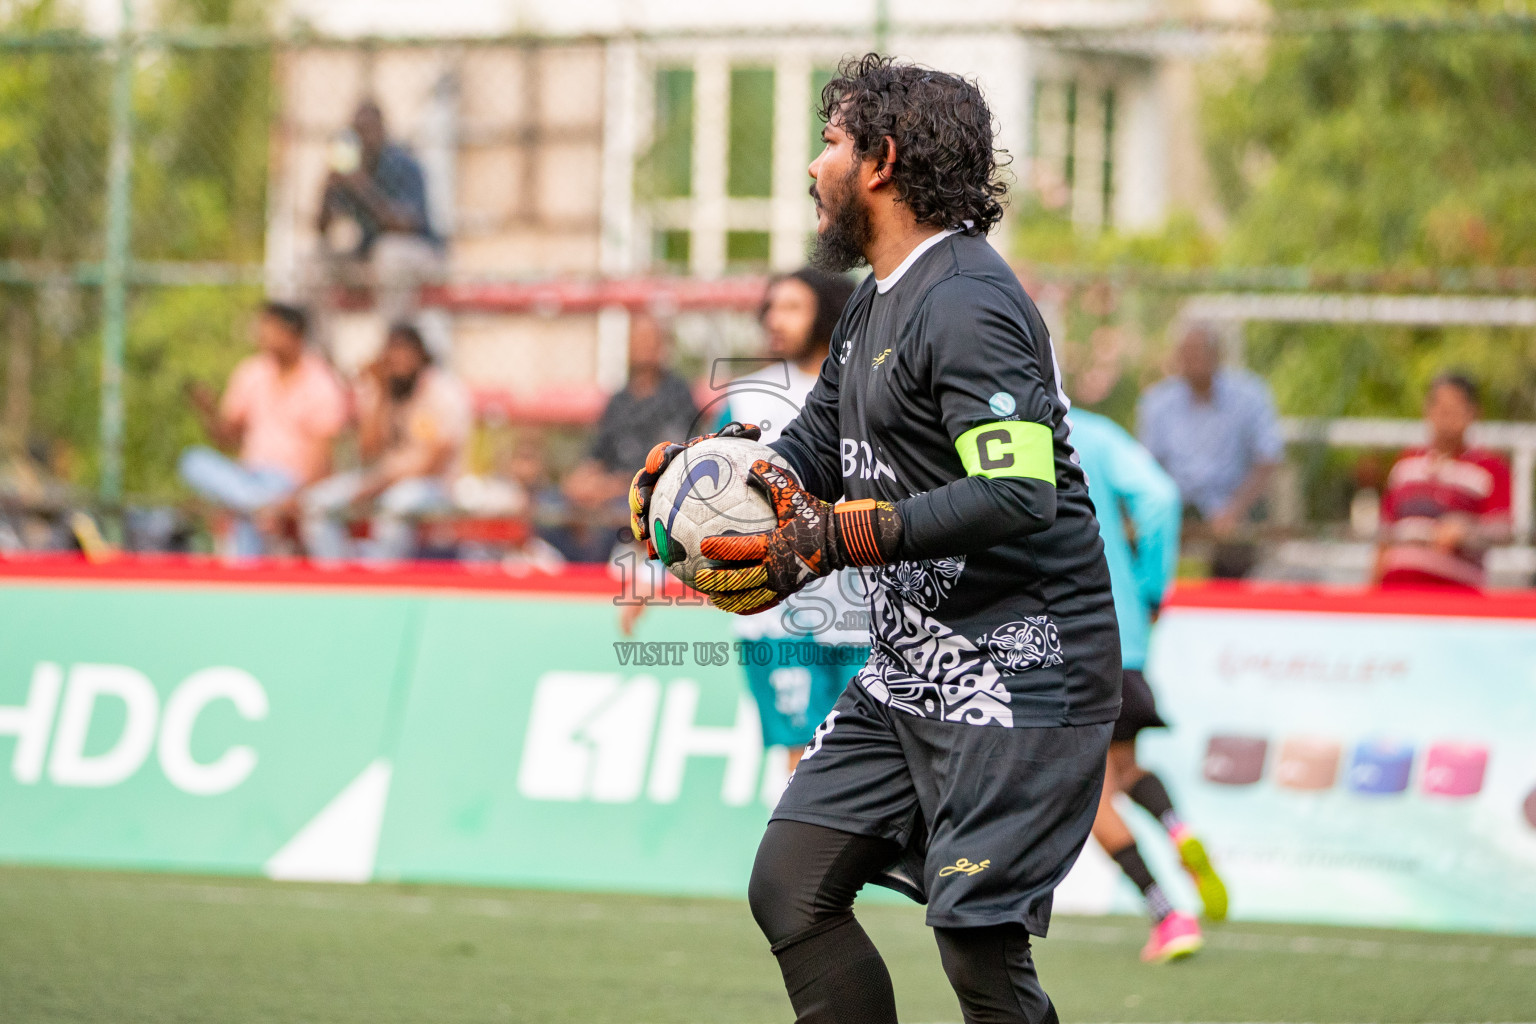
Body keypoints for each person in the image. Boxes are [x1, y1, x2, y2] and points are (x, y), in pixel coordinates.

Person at [630, 55, 1120, 1024]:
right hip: (910, 675)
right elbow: (815, 446)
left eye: (830, 142)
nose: (815, 167)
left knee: (976, 941)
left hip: (1023, 679)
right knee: (791, 883)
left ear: (882, 160)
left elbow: (1019, 493)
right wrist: (706, 487)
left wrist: (836, 535)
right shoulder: (874, 300)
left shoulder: (969, 302)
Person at [621, 269, 868, 777]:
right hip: (774, 616)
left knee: (868, 763)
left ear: (828, 313)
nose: (775, 319)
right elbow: (694, 499)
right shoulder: (748, 397)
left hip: (861, 611)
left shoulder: (868, 388)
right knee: (801, 760)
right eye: (771, 307)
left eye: (792, 307)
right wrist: (649, 578)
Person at [1069, 407, 1229, 963]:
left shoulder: (1003, 430)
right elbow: (1160, 496)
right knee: (1125, 765)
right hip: (1126, 629)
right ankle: (1177, 827)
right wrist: (1149, 588)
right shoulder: (1095, 430)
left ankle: (1165, 911)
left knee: (1083, 794)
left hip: (1066, 635)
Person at [179, 302, 348, 558]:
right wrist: (209, 412)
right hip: (246, 479)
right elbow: (227, 438)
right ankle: (259, 506)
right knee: (193, 461)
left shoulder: (321, 382)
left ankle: (257, 510)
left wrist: (293, 499)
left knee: (248, 511)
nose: (261, 335)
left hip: (288, 483)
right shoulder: (252, 372)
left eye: (269, 329)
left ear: (293, 333)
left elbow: (322, 458)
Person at [300, 323, 470, 563]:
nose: (399, 361)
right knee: (316, 503)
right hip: (380, 480)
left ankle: (382, 582)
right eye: (392, 354)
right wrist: (379, 392)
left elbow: (434, 462)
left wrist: (381, 484)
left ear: (421, 357)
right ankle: (337, 578)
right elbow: (368, 452)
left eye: (406, 353)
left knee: (395, 506)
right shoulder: (381, 390)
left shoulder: (442, 391)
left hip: (432, 486)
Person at [1136, 324, 1284, 578]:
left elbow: (1268, 459)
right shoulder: (1158, 403)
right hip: (1175, 506)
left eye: (1199, 353)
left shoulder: (1250, 396)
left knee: (1235, 556)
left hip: (1235, 506)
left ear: (1217, 355)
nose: (1191, 361)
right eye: (1186, 354)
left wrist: (1236, 509)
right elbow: (1147, 465)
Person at [559, 313, 700, 564]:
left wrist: (611, 487)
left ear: (662, 346)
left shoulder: (678, 395)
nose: (643, 346)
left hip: (651, 494)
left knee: (618, 518)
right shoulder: (619, 400)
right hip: (607, 492)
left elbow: (668, 463)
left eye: (649, 339)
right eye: (637, 339)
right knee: (553, 506)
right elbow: (597, 453)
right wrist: (579, 482)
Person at [312, 100, 444, 338]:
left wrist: (360, 187)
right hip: (371, 256)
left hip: (419, 254)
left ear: (383, 130)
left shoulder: (403, 163)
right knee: (314, 259)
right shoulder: (352, 169)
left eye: (367, 130)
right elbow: (321, 229)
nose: (363, 138)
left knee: (390, 252)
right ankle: (319, 358)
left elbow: (406, 225)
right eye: (357, 132)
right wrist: (328, 188)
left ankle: (394, 348)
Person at [1374, 373, 1512, 591]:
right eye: (1439, 406)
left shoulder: (1490, 468)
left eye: (1453, 407)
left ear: (1473, 412)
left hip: (1454, 599)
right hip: (1396, 594)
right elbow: (1384, 535)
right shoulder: (1406, 463)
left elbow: (1503, 530)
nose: (1445, 415)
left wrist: (1465, 531)